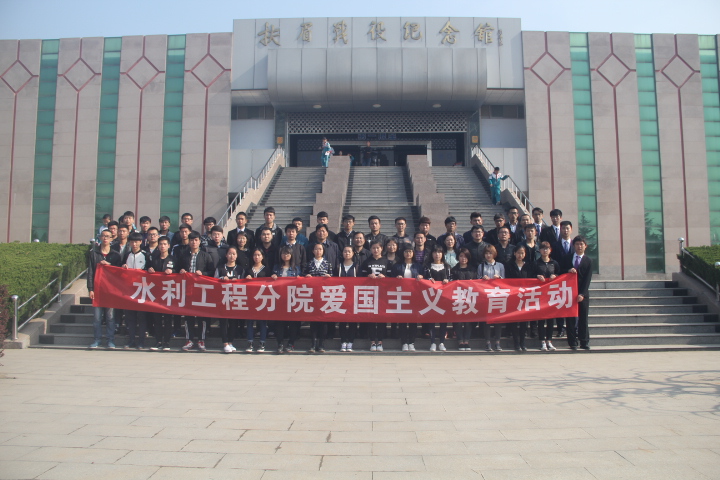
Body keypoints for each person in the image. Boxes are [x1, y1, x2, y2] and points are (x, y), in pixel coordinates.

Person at [178, 232, 215, 352]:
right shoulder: (183, 255)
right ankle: (189, 340)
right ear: (188, 242)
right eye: (191, 240)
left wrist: (203, 274)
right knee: (188, 316)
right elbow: (177, 269)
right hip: (187, 289)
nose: (194, 242)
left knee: (201, 316)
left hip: (201, 290)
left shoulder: (205, 256)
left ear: (199, 242)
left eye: (196, 240)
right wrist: (181, 271)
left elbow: (212, 272)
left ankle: (201, 340)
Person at [87, 229, 123, 349]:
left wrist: (109, 266)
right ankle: (97, 340)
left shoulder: (116, 255)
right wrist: (90, 289)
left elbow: (119, 273)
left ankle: (110, 340)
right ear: (100, 238)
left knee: (110, 317)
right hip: (98, 290)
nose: (105, 238)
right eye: (103, 236)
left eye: (108, 236)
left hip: (110, 290)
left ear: (112, 239)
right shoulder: (94, 254)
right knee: (97, 318)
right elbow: (90, 272)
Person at [561, 236, 593, 351]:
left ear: (585, 246)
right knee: (570, 318)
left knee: (583, 318)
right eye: (577, 244)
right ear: (573, 246)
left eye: (581, 244)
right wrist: (567, 270)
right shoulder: (567, 258)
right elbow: (560, 271)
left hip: (582, 293)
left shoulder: (588, 261)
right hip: (569, 292)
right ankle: (572, 342)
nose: (579, 246)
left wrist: (582, 294)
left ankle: (584, 341)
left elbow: (587, 279)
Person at [360, 241, 392, 352]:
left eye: (378, 248)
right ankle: (373, 342)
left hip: (383, 294)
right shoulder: (366, 261)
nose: (376, 250)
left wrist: (385, 276)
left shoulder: (386, 261)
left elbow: (391, 277)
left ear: (382, 249)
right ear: (370, 249)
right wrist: (368, 276)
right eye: (373, 248)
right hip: (370, 293)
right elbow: (361, 276)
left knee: (382, 318)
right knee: (372, 318)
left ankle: (380, 342)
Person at [121, 232, 151, 349]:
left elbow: (150, 270)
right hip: (129, 290)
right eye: (132, 242)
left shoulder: (145, 255)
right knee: (130, 317)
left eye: (136, 242)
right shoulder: (126, 255)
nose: (134, 244)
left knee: (142, 317)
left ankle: (141, 341)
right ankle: (131, 340)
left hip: (142, 290)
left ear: (140, 242)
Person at [215, 246, 246, 354]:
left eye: (234, 254)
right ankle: (225, 343)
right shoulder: (220, 268)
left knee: (233, 321)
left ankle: (231, 342)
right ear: (226, 255)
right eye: (230, 253)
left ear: (236, 256)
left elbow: (244, 283)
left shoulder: (240, 269)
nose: (231, 256)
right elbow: (213, 281)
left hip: (235, 298)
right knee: (224, 321)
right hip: (223, 298)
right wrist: (222, 279)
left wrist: (237, 281)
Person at [392, 247, 423, 352]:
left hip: (414, 296)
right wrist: (397, 278)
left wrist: (421, 277)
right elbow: (390, 278)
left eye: (410, 251)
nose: (408, 253)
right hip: (401, 295)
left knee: (413, 320)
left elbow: (426, 278)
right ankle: (404, 342)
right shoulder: (397, 266)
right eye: (406, 251)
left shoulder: (418, 266)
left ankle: (411, 342)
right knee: (403, 320)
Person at [272, 246, 302, 353]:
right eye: (284, 253)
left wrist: (299, 279)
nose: (286, 256)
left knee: (293, 323)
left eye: (288, 253)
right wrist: (273, 277)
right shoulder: (276, 268)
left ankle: (291, 343)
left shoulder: (296, 269)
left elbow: (301, 283)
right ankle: (280, 343)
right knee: (279, 323)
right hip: (279, 298)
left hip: (292, 298)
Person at [148, 236, 176, 351]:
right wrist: (149, 270)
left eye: (165, 244)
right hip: (157, 293)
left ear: (168, 246)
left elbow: (181, 272)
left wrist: (173, 271)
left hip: (169, 292)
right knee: (157, 319)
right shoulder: (154, 259)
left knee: (168, 319)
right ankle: (158, 341)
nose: (162, 246)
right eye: (160, 244)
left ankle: (167, 342)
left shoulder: (173, 259)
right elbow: (146, 271)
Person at [304, 243, 333, 353]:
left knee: (323, 321)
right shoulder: (309, 263)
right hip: (312, 295)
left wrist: (329, 278)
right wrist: (307, 277)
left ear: (323, 251)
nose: (318, 251)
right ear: (313, 251)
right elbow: (303, 275)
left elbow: (333, 277)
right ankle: (313, 343)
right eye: (316, 249)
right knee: (313, 321)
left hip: (324, 295)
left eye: (320, 249)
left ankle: (322, 344)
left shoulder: (328, 264)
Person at [423, 246, 452, 352]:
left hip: (443, 297)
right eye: (435, 252)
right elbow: (423, 278)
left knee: (443, 320)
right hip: (431, 297)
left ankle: (442, 342)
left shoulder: (447, 267)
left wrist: (447, 281)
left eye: (439, 252)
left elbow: (451, 279)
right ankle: (432, 342)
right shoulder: (427, 266)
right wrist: (428, 279)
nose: (437, 254)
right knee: (432, 320)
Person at [505, 244, 534, 351]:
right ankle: (516, 342)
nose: (520, 255)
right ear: (514, 253)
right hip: (513, 295)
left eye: (522, 253)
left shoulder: (529, 265)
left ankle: (522, 342)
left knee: (523, 321)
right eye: (518, 253)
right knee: (514, 319)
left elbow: (531, 279)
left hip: (525, 296)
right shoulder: (509, 265)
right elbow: (507, 280)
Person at [535, 241, 561, 352]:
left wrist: (555, 276)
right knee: (541, 319)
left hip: (551, 294)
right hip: (540, 294)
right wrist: (537, 276)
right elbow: (531, 275)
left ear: (550, 250)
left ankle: (549, 340)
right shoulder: (536, 263)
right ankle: (542, 341)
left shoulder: (554, 263)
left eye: (547, 248)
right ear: (539, 250)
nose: (545, 251)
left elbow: (560, 275)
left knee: (550, 319)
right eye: (543, 248)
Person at [479, 245, 505, 352]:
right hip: (486, 296)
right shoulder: (481, 266)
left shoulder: (500, 265)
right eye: (486, 253)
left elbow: (505, 280)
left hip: (497, 295)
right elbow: (477, 280)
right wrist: (482, 278)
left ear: (494, 254)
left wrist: (499, 278)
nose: (488, 255)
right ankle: (488, 342)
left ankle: (497, 342)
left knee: (498, 320)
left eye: (490, 253)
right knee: (487, 320)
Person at [451, 248, 478, 351]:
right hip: (457, 298)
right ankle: (460, 341)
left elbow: (477, 282)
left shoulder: (473, 269)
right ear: (458, 257)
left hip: (470, 297)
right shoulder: (454, 269)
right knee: (458, 320)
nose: (463, 258)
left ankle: (466, 341)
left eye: (465, 256)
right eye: (461, 256)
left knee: (468, 321)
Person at [245, 249, 271, 352]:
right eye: (255, 255)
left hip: (262, 298)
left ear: (262, 256)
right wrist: (246, 278)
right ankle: (250, 343)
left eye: (259, 255)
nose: (256, 257)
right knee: (250, 321)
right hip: (250, 298)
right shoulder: (249, 269)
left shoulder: (267, 269)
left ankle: (262, 343)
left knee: (262, 322)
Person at [335, 246, 359, 352]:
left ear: (353, 253)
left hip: (353, 297)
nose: (347, 253)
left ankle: (351, 341)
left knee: (353, 320)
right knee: (342, 320)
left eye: (349, 251)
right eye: (345, 251)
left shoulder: (356, 266)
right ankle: (343, 341)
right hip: (341, 297)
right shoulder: (338, 266)